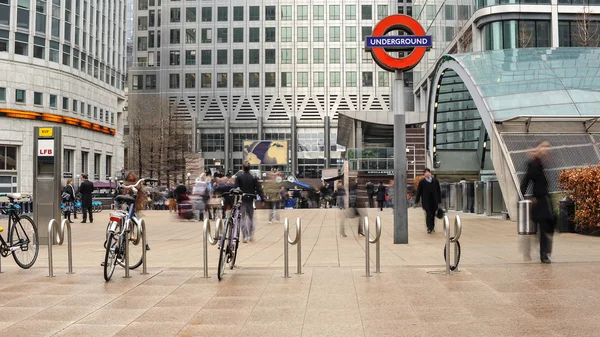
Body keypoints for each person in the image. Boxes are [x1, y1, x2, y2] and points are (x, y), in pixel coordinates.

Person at [520, 141, 554, 264]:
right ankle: (543, 253)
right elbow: (526, 180)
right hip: (539, 200)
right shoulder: (534, 163)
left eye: (548, 147)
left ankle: (543, 251)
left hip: (545, 198)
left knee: (547, 227)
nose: (547, 150)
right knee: (544, 227)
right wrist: (523, 197)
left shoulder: (546, 162)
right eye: (544, 147)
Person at [235, 162, 265, 242]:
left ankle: (245, 236)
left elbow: (236, 187)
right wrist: (262, 198)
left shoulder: (239, 177)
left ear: (243, 168)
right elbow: (259, 188)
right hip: (251, 198)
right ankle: (251, 234)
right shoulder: (253, 177)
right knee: (251, 217)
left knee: (242, 218)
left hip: (242, 198)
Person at [414, 168, 442, 234]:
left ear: (430, 173)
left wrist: (439, 200)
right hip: (426, 201)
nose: (427, 173)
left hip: (434, 201)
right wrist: (417, 201)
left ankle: (432, 227)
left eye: (428, 172)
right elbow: (419, 192)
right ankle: (429, 228)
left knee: (433, 214)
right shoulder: (422, 182)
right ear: (424, 174)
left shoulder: (435, 181)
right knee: (428, 214)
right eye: (425, 172)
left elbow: (438, 191)